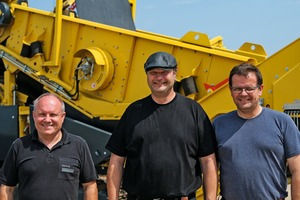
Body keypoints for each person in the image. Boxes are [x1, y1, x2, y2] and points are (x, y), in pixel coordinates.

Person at [105, 51, 218, 200]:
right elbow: (116, 162)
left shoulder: (194, 111)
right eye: (153, 73)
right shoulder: (133, 112)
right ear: (147, 75)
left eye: (164, 72)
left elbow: (208, 161)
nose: (159, 78)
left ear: (175, 73)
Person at [213, 63, 300, 199]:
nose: (243, 93)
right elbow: (210, 167)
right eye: (237, 89)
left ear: (260, 89)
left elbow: (297, 169)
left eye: (249, 88)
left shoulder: (282, 122)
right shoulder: (218, 124)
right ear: (230, 90)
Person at [0, 93, 99, 200]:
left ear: (62, 117)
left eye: (53, 115)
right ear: (34, 116)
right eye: (42, 114)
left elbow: (89, 186)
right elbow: (7, 188)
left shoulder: (79, 145)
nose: (47, 120)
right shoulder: (19, 146)